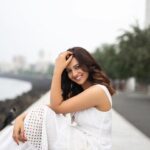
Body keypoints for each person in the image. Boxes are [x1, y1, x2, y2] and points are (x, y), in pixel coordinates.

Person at [0, 47, 115, 150]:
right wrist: (20, 119)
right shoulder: (82, 93)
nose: (74, 74)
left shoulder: (98, 91)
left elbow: (56, 107)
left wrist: (57, 70)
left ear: (87, 64)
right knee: (32, 129)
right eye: (69, 71)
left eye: (77, 67)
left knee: (38, 125)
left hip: (92, 146)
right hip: (82, 141)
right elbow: (50, 107)